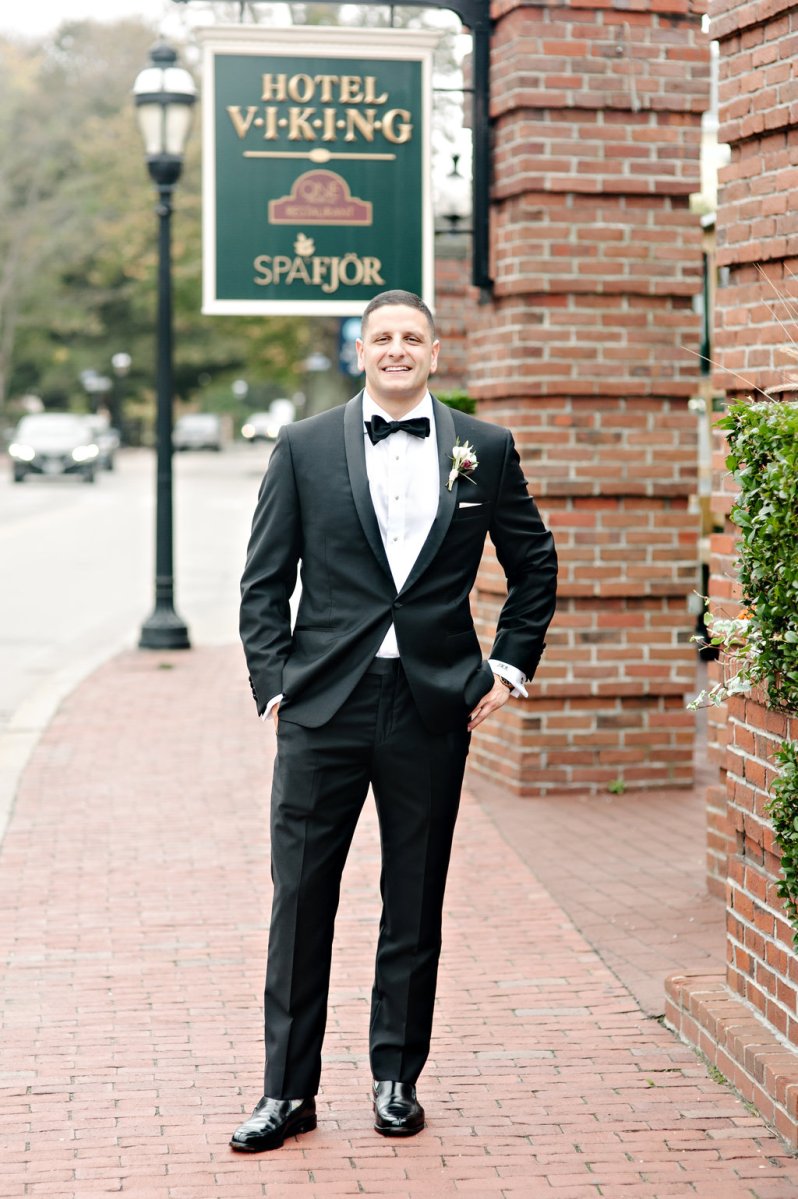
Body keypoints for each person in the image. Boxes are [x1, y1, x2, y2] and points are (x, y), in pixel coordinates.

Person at [232, 289, 557, 1152]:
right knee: (301, 900)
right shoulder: (301, 447)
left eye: (412, 337)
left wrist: (509, 664)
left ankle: (395, 1079)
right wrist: (275, 683)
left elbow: (535, 563)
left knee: (414, 899)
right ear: (362, 350)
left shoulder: (484, 449)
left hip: (431, 705)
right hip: (323, 708)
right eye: (383, 337)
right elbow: (264, 583)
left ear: (437, 352)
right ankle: (286, 1092)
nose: (397, 349)